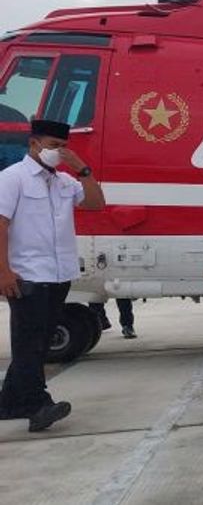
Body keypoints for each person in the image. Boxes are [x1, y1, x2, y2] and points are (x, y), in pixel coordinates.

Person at [0, 119, 105, 432]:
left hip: (59, 275)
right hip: (27, 275)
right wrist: (3, 272)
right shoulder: (12, 179)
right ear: (33, 144)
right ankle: (38, 405)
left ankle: (9, 402)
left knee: (39, 342)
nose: (57, 152)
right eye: (51, 146)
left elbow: (96, 204)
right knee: (29, 343)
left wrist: (82, 169)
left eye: (62, 146)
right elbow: (1, 225)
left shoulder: (63, 182)